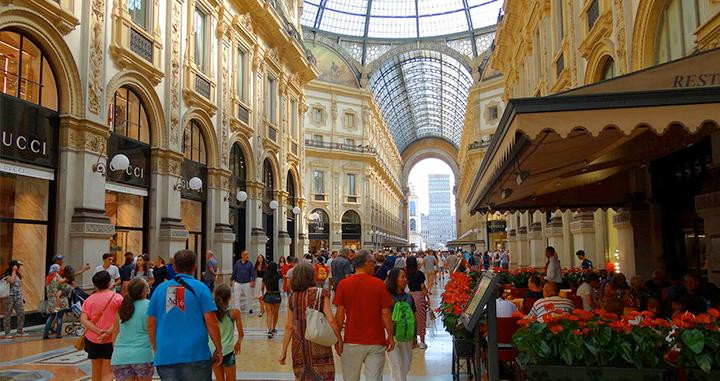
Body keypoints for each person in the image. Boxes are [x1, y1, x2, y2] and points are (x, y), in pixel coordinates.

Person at [148, 250, 222, 380]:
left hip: (166, 356)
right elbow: (212, 322)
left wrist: (156, 347)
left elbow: (151, 324)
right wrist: (219, 349)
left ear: (174, 266)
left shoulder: (159, 290)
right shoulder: (201, 288)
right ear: (195, 266)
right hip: (196, 355)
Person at [334, 250, 395, 381]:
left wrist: (338, 338)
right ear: (366, 263)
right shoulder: (379, 284)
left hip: (352, 341)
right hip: (376, 341)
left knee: (350, 378)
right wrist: (390, 336)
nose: (374, 265)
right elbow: (385, 314)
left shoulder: (343, 285)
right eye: (373, 262)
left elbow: (339, 315)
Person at [279, 263, 342, 380]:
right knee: (323, 376)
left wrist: (283, 352)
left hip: (298, 345)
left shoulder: (292, 297)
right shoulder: (321, 293)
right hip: (318, 341)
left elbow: (289, 326)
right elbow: (331, 319)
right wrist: (338, 340)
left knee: (301, 376)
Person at [81, 270, 124, 381]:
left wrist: (97, 331)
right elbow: (121, 319)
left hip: (91, 339)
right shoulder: (118, 298)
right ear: (110, 282)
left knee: (95, 370)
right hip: (111, 339)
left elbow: (83, 320)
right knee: (108, 371)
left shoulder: (89, 300)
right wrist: (107, 332)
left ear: (95, 285)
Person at [111, 278, 154, 381]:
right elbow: (153, 331)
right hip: (143, 355)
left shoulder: (122, 307)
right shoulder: (150, 306)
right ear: (146, 291)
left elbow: (114, 334)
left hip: (120, 356)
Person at [385, 268, 416, 381]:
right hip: (392, 335)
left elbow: (413, 315)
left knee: (405, 365)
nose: (405, 279)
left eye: (405, 277)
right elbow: (383, 315)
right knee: (397, 366)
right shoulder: (386, 296)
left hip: (407, 335)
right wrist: (388, 336)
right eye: (402, 277)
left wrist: (414, 336)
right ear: (394, 279)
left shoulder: (409, 297)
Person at [209, 284, 243, 381]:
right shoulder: (234, 312)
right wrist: (238, 342)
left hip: (213, 351)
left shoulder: (210, 312)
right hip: (227, 351)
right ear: (229, 297)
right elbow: (241, 334)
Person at [43, 265, 73, 339]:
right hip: (58, 301)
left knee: (51, 317)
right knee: (59, 317)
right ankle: (58, 334)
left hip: (50, 301)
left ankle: (45, 334)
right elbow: (61, 281)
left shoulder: (47, 278)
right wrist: (67, 277)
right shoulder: (56, 275)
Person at [405, 256, 429, 349]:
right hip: (419, 296)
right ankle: (422, 341)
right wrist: (427, 298)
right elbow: (422, 287)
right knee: (421, 318)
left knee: (410, 319)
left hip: (409, 296)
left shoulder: (406, 274)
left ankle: (413, 341)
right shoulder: (419, 274)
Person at [2, 260, 26, 338]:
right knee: (7, 315)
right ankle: (7, 333)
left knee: (21, 313)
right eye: (18, 266)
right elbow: (11, 281)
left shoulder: (18, 274)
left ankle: (19, 331)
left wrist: (22, 297)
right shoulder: (7, 274)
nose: (19, 267)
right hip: (9, 297)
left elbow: (19, 287)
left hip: (18, 297)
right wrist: (14, 271)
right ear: (14, 266)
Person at [262, 262, 282, 338]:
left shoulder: (265, 276)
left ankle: (269, 330)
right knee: (275, 313)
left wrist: (263, 294)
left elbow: (262, 287)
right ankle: (273, 328)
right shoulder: (278, 275)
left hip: (268, 295)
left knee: (269, 313)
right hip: (276, 295)